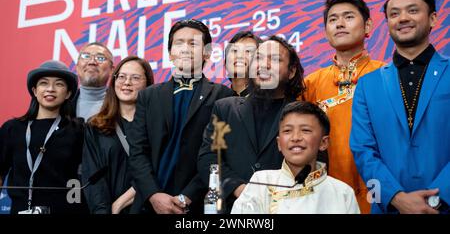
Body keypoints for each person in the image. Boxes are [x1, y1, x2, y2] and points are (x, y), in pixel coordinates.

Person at [350, 0, 450, 214]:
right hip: (390, 207)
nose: (402, 18)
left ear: (433, 18)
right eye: (394, 14)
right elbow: (363, 149)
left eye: (413, 10)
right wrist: (396, 197)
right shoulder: (367, 84)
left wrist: (437, 198)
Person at [128, 19, 233, 214]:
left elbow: (218, 156)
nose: (185, 48)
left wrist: (187, 196)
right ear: (170, 54)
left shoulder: (222, 96)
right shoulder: (148, 96)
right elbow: (137, 152)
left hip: (195, 205)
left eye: (193, 43)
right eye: (179, 43)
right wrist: (153, 194)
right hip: (148, 205)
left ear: (207, 53)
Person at [198, 35, 306, 213]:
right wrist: (239, 188)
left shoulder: (304, 115)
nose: (264, 65)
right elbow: (208, 158)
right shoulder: (225, 109)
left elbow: (313, 167)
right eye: (259, 58)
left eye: (275, 59)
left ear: (291, 71)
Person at [301, 0, 384, 213]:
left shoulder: (387, 75)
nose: (339, 24)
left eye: (348, 17)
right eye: (333, 19)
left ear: (367, 26)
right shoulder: (311, 84)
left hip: (380, 189)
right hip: (325, 193)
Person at [231, 101, 360, 214]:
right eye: (287, 131)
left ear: (323, 143)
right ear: (279, 143)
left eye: (306, 130)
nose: (296, 138)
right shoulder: (260, 183)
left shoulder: (342, 193)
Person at [0, 60, 85, 214]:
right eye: (44, 83)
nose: (50, 89)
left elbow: (85, 176)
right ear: (34, 90)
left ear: (68, 94)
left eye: (59, 84)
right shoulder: (12, 129)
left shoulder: (79, 130)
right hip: (20, 209)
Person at [82, 56, 154, 214]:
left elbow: (157, 171)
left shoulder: (157, 125)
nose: (127, 82)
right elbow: (93, 178)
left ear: (148, 84)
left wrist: (119, 204)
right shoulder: (95, 126)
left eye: (135, 78)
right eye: (121, 76)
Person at [73, 42, 114, 120]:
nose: (92, 62)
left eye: (100, 58)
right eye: (86, 56)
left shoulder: (121, 105)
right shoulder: (62, 104)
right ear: (77, 66)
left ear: (112, 70)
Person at [224, 31, 261, 97]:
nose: (239, 56)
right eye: (235, 51)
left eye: (248, 51)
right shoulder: (217, 101)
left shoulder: (267, 101)